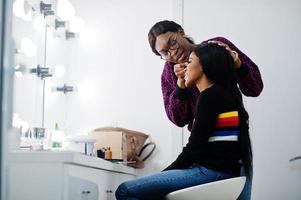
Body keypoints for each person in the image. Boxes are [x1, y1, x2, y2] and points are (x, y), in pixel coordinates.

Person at [115, 43, 252, 200]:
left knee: (125, 190)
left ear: (204, 66)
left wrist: (164, 175)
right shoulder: (224, 94)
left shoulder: (209, 96)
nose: (185, 68)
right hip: (221, 171)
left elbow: (193, 150)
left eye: (190, 62)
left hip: (210, 172)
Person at [148, 20, 263, 200]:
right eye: (164, 52)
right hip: (202, 148)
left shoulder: (216, 47)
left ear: (180, 31)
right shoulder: (169, 74)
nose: (173, 51)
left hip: (234, 141)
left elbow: (255, 87)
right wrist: (181, 87)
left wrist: (238, 65)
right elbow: (178, 119)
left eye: (172, 42)